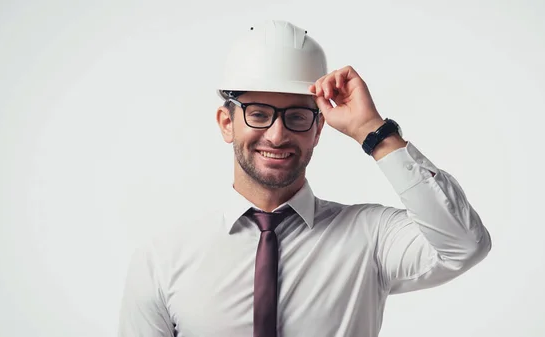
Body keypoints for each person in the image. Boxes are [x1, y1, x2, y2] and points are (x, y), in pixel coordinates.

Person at [117, 20, 492, 337]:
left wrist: (373, 131)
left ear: (318, 130)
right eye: (259, 114)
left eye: (297, 116)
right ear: (226, 123)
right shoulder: (162, 261)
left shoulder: (371, 237)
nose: (278, 135)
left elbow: (465, 245)